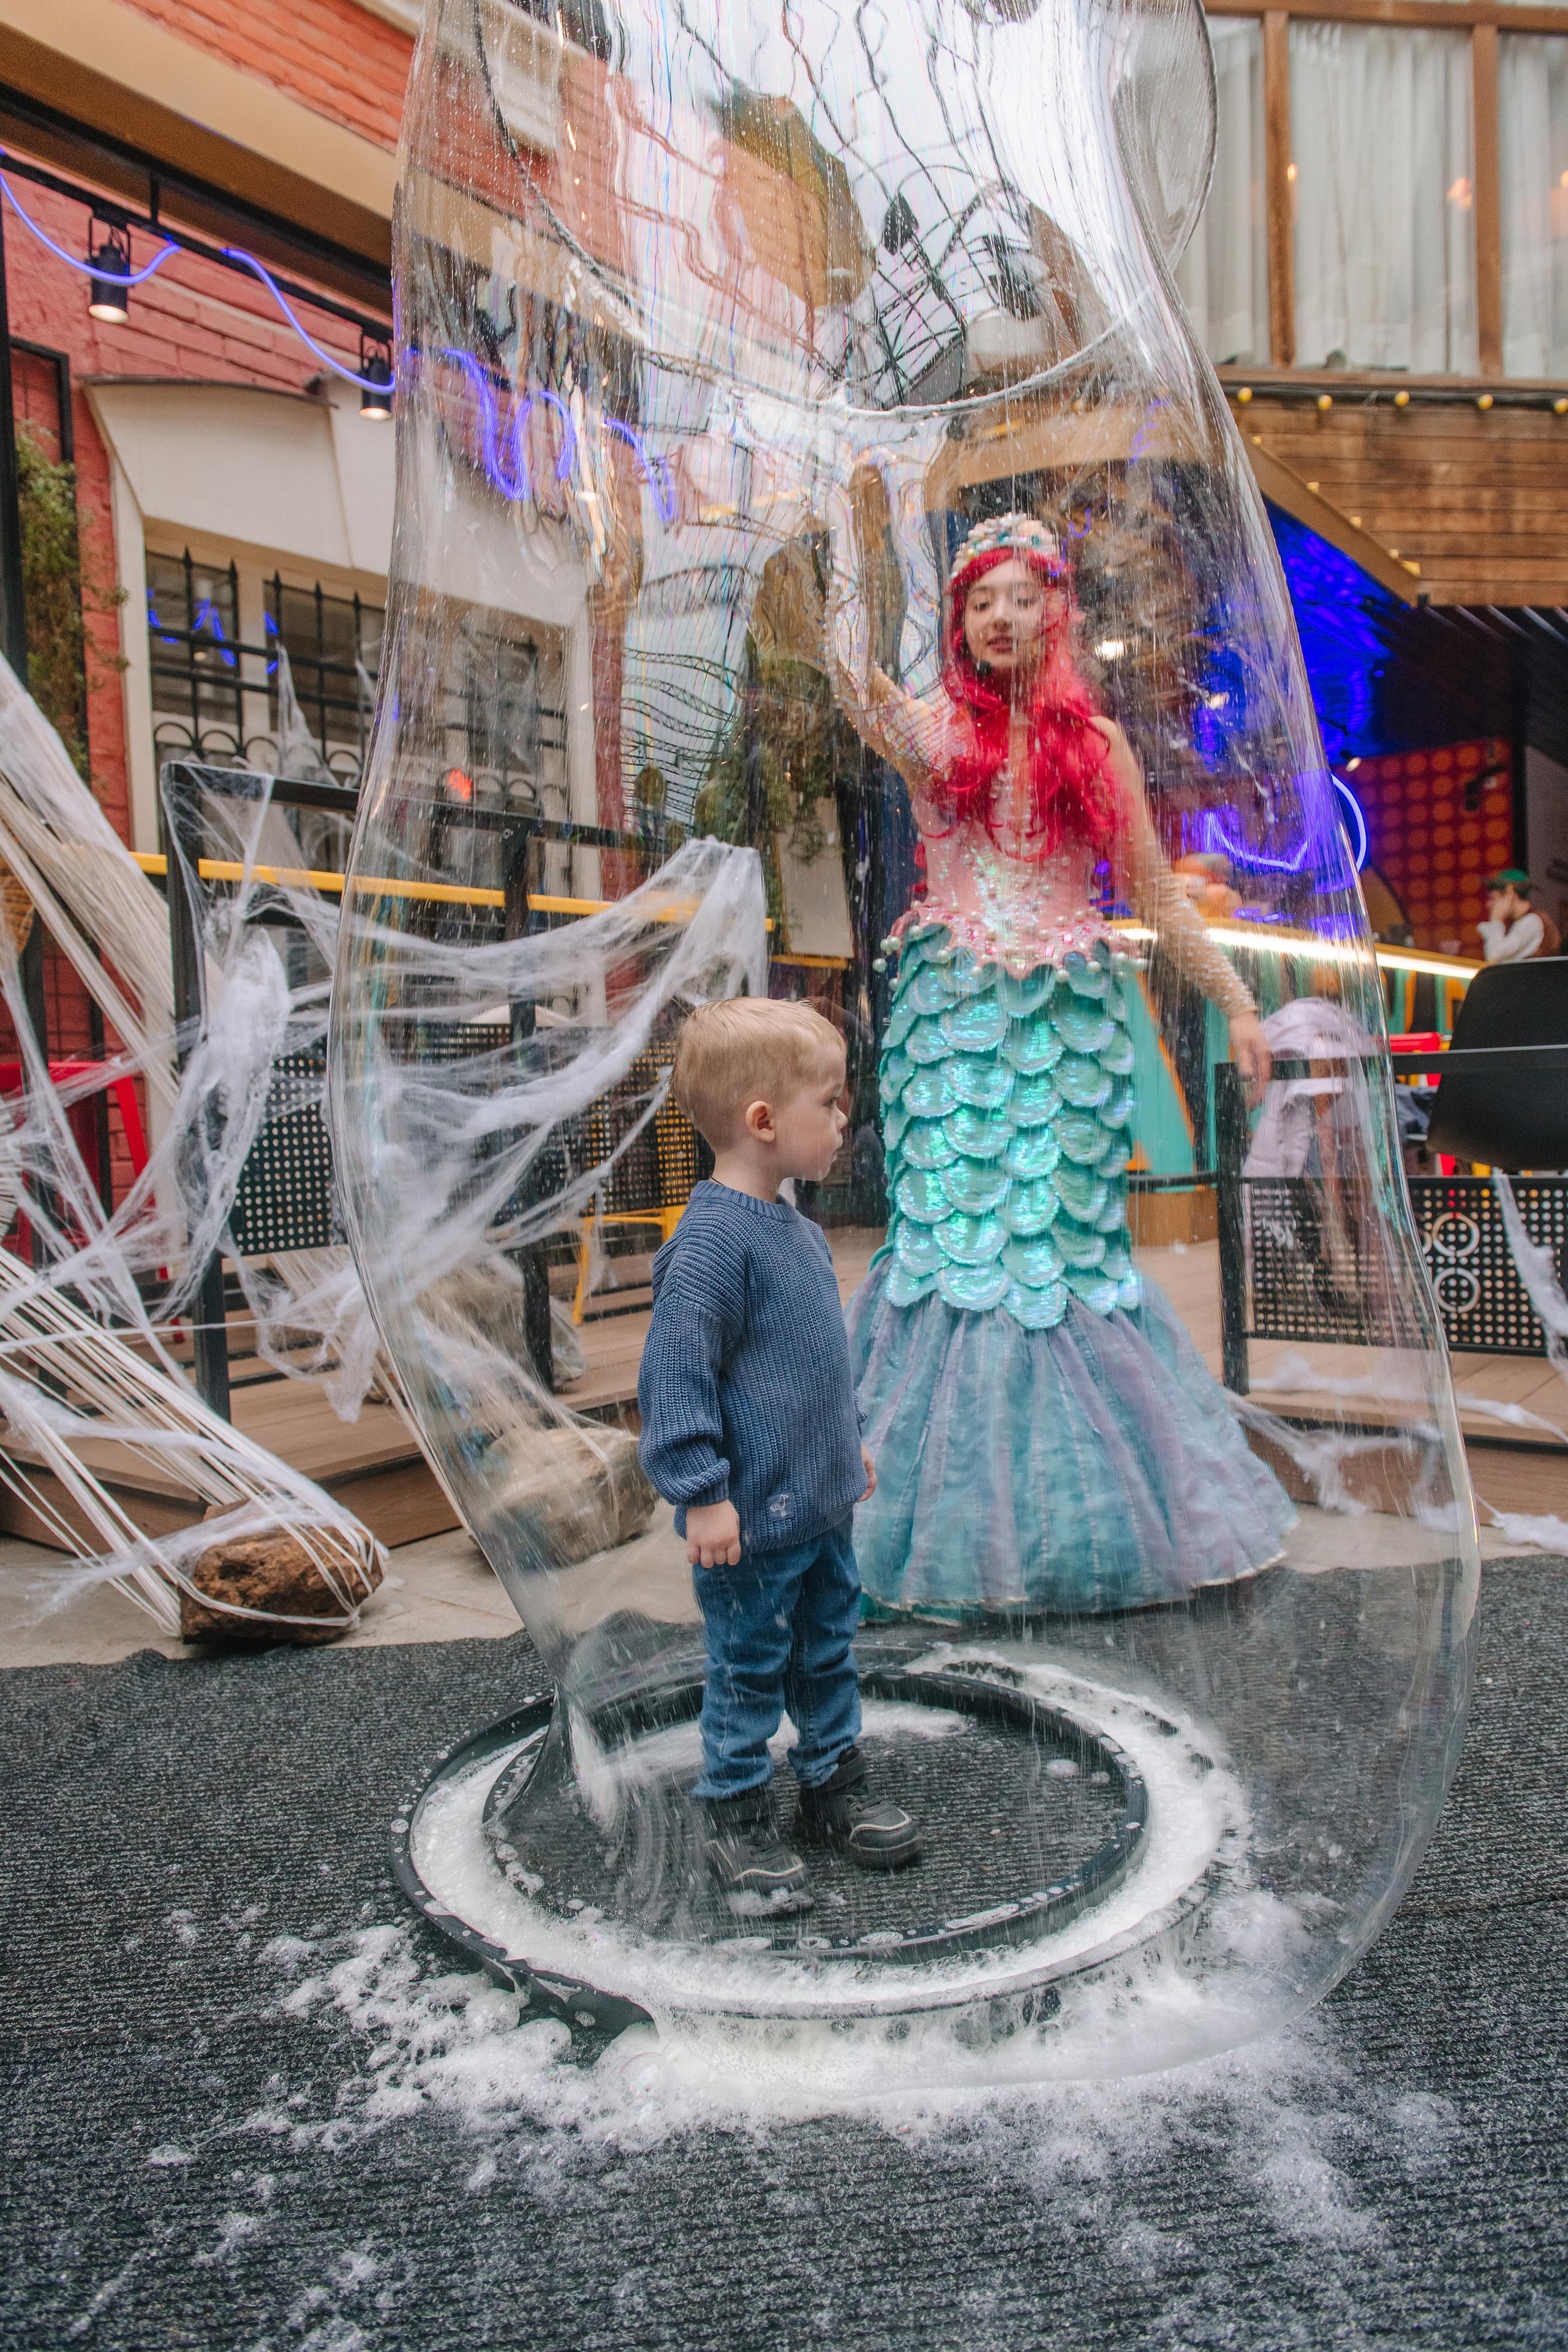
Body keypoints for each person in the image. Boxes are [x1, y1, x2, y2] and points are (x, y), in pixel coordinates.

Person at [827, 503, 1295, 1617]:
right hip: (954, 1030)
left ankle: (1076, 1525)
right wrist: (854, 530)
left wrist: (1234, 1003)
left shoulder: (1099, 746)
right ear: (960, 617)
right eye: (979, 598)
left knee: (1065, 1259)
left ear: (1056, 609)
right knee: (956, 1252)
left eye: (1020, 595)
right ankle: (933, 1526)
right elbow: (853, 681)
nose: (999, 615)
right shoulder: (934, 732)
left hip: (1069, 1033)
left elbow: (1155, 888)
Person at [637, 996, 921, 1913]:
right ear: (764, 1121)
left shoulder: (796, 1231)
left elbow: (804, 1363)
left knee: (827, 1651)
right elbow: (676, 1377)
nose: (846, 1122)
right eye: (830, 1105)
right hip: (751, 1526)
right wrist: (700, 1491)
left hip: (821, 1507)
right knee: (749, 1665)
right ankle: (736, 1811)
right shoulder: (711, 1243)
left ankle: (833, 1785)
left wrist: (846, 1451)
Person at [1478, 870, 1558, 963]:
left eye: (1494, 899)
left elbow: (1495, 956)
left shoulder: (1532, 921)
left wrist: (1496, 920)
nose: (1489, 904)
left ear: (1510, 894)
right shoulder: (1515, 922)